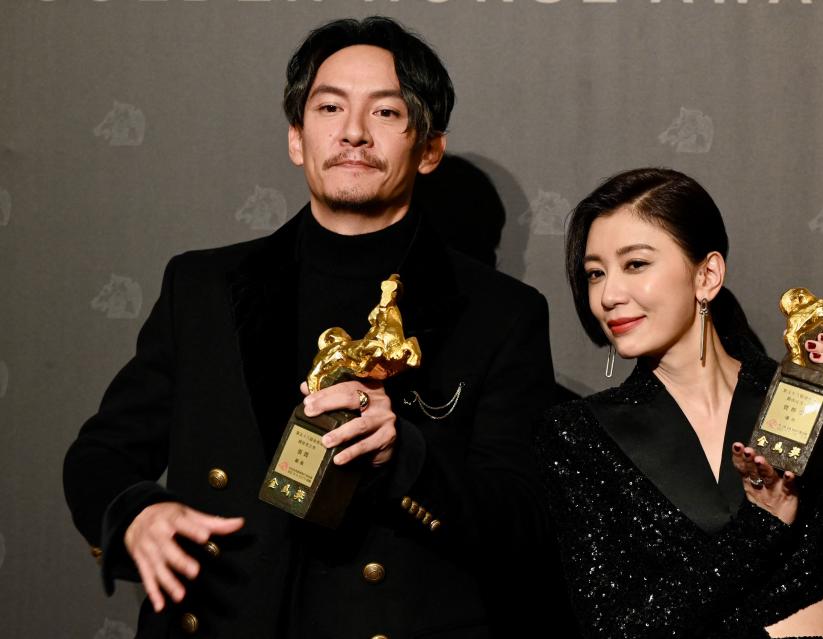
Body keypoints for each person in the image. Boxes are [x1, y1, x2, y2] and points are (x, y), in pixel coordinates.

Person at [64, 17, 574, 639]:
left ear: (430, 147)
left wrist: (407, 454)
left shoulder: (500, 311)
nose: (353, 132)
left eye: (386, 113)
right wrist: (136, 514)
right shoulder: (202, 288)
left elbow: (523, 523)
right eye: (329, 107)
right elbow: (100, 456)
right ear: (297, 138)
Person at [536, 168, 823, 639]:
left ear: (707, 275)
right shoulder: (578, 435)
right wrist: (763, 524)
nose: (608, 295)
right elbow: (618, 628)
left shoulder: (800, 397)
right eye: (595, 274)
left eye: (636, 264)